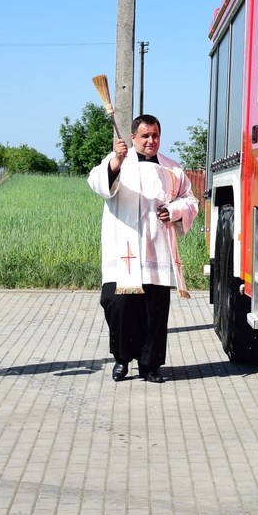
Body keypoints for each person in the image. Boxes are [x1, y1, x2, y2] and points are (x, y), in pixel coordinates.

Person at [87, 114, 198, 383]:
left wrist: (174, 210)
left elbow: (190, 200)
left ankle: (150, 366)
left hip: (157, 249)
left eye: (155, 135)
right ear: (134, 137)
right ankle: (122, 359)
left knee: (154, 310)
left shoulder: (172, 169)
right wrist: (115, 160)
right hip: (122, 250)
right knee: (117, 304)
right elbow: (99, 183)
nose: (151, 141)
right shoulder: (119, 162)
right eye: (145, 136)